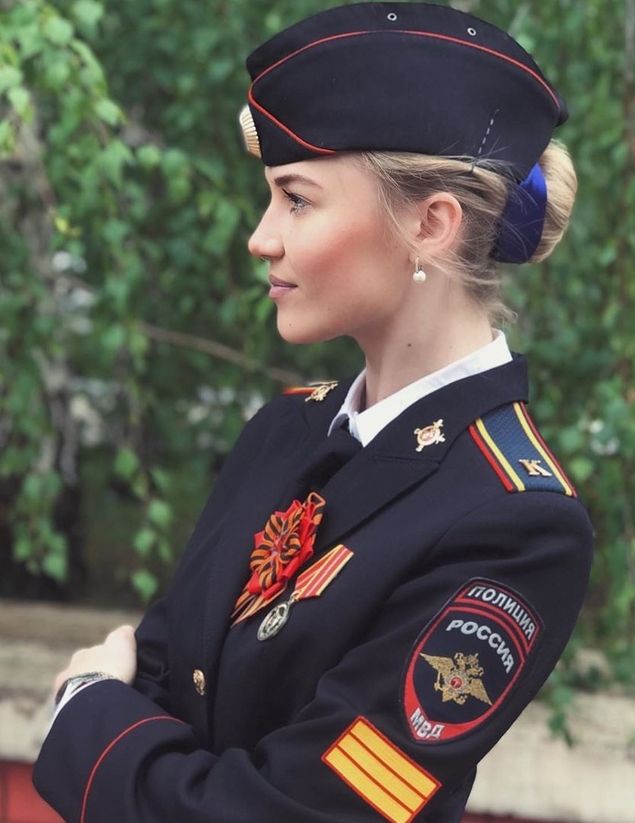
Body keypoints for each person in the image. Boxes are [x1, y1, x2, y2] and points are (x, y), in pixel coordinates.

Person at [34, 3, 593, 821]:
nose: (261, 237)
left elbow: (292, 810)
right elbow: (162, 668)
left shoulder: (515, 520)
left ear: (430, 226)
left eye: (296, 199)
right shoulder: (284, 431)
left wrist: (83, 707)